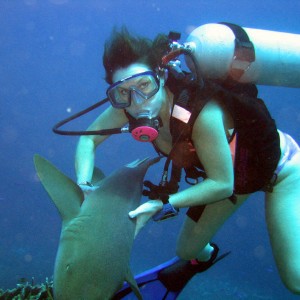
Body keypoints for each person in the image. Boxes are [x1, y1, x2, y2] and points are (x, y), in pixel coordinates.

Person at [75, 27, 300, 295]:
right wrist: (84, 183)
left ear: (160, 75)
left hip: (280, 169)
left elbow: (221, 184)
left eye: (144, 85)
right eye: (122, 92)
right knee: (187, 250)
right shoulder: (130, 105)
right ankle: (203, 258)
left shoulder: (202, 113)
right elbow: (88, 140)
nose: (137, 103)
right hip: (237, 180)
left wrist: (162, 203)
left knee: (295, 279)